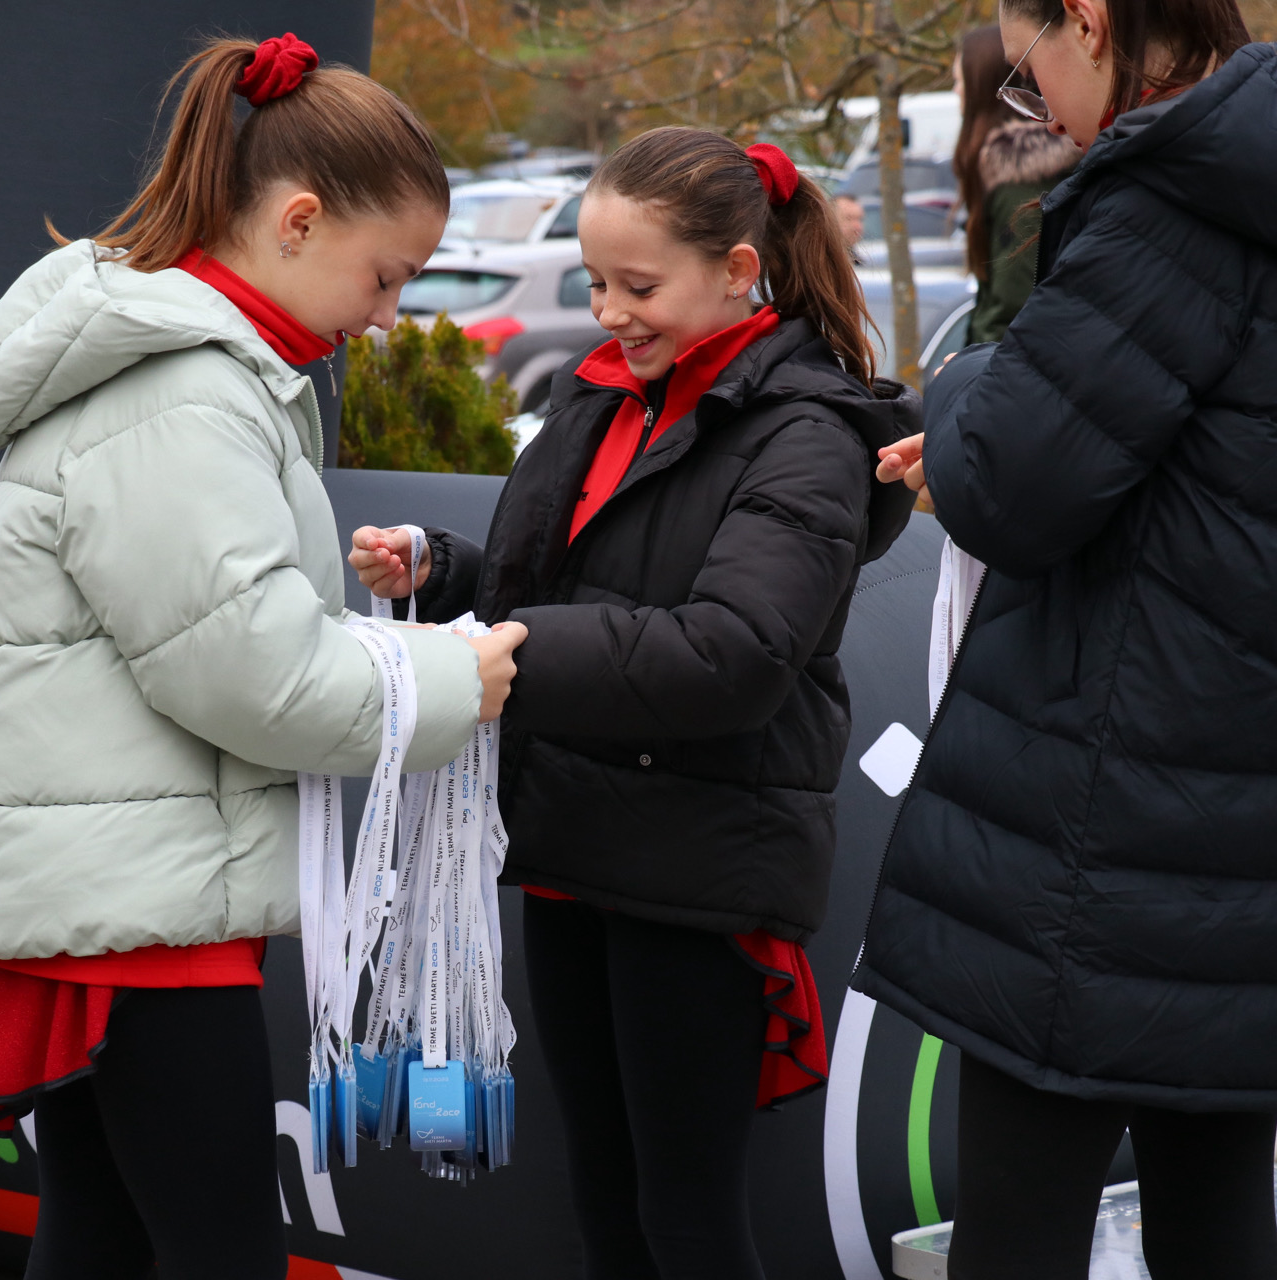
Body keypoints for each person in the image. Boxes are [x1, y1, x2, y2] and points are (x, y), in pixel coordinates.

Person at [0, 34, 525, 1280]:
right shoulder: (186, 393)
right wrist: (449, 683)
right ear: (298, 222)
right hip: (145, 916)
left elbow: (217, 638)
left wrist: (385, 649)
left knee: (102, 1239)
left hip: (114, 895)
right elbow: (251, 675)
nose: (387, 315)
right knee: (213, 1251)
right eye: (387, 275)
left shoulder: (179, 369)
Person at [860, 0, 1277, 1272]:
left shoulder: (1169, 201)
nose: (1040, 109)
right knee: (1214, 1220)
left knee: (1017, 1233)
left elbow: (1015, 483)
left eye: (1029, 74)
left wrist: (960, 390)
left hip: (1100, 816)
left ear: (1090, 19)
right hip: (1259, 812)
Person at [353, 129, 918, 1278]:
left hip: (694, 870)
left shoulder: (806, 435)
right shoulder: (609, 396)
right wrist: (448, 572)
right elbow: (579, 589)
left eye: (638, 286)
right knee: (607, 1200)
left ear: (740, 271)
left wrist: (510, 648)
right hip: (576, 845)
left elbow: (734, 653)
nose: (609, 311)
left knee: (687, 1217)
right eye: (596, 281)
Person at [952, 23, 1080, 343]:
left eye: (959, 81)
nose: (956, 91)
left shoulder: (1022, 181)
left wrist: (972, 365)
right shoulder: (1013, 172)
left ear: (984, 86)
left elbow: (1012, 307)